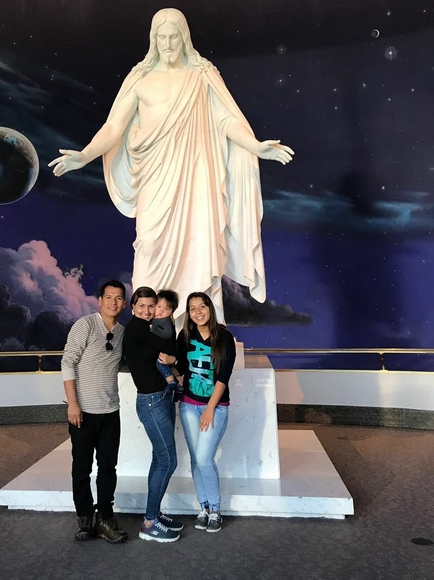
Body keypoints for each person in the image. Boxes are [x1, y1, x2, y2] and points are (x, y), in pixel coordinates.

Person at [49, 7, 294, 327]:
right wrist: (85, 155)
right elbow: (114, 127)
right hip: (155, 179)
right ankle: (152, 329)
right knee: (149, 246)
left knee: (200, 249)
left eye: (173, 36)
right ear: (153, 39)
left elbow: (227, 120)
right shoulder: (140, 79)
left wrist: (255, 145)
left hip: (197, 178)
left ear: (184, 38)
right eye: (161, 37)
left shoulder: (202, 76)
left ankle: (203, 332)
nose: (167, 43)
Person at [60, 280, 128, 543]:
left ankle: (105, 518)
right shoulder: (85, 325)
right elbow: (68, 362)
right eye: (108, 297)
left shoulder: (122, 333)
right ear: (100, 300)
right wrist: (73, 403)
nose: (113, 302)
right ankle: (85, 518)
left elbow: (121, 363)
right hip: (83, 412)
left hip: (110, 412)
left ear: (124, 303)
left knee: (108, 468)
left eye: (118, 298)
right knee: (81, 468)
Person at [122, 286, 182, 542]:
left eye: (151, 306)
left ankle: (154, 513)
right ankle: (149, 523)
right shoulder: (137, 327)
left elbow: (169, 351)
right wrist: (173, 356)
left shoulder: (147, 328)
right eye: (142, 306)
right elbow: (168, 346)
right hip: (151, 402)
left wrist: (172, 357)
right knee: (168, 462)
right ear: (133, 307)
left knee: (159, 460)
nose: (147, 311)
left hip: (162, 397)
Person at [175, 292, 237, 533]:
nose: (198, 312)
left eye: (202, 306)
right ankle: (203, 507)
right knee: (195, 459)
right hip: (189, 404)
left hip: (215, 407)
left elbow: (224, 376)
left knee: (204, 459)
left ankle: (216, 510)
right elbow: (182, 369)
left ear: (210, 308)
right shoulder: (185, 336)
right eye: (192, 308)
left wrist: (210, 408)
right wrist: (170, 362)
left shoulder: (224, 337)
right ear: (188, 313)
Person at [150, 289, 181, 395]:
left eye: (166, 309)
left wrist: (153, 329)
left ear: (172, 312)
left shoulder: (166, 321)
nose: (161, 311)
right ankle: (178, 386)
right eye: (159, 307)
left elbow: (168, 333)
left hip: (165, 352)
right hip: (158, 351)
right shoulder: (153, 318)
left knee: (160, 364)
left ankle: (171, 382)